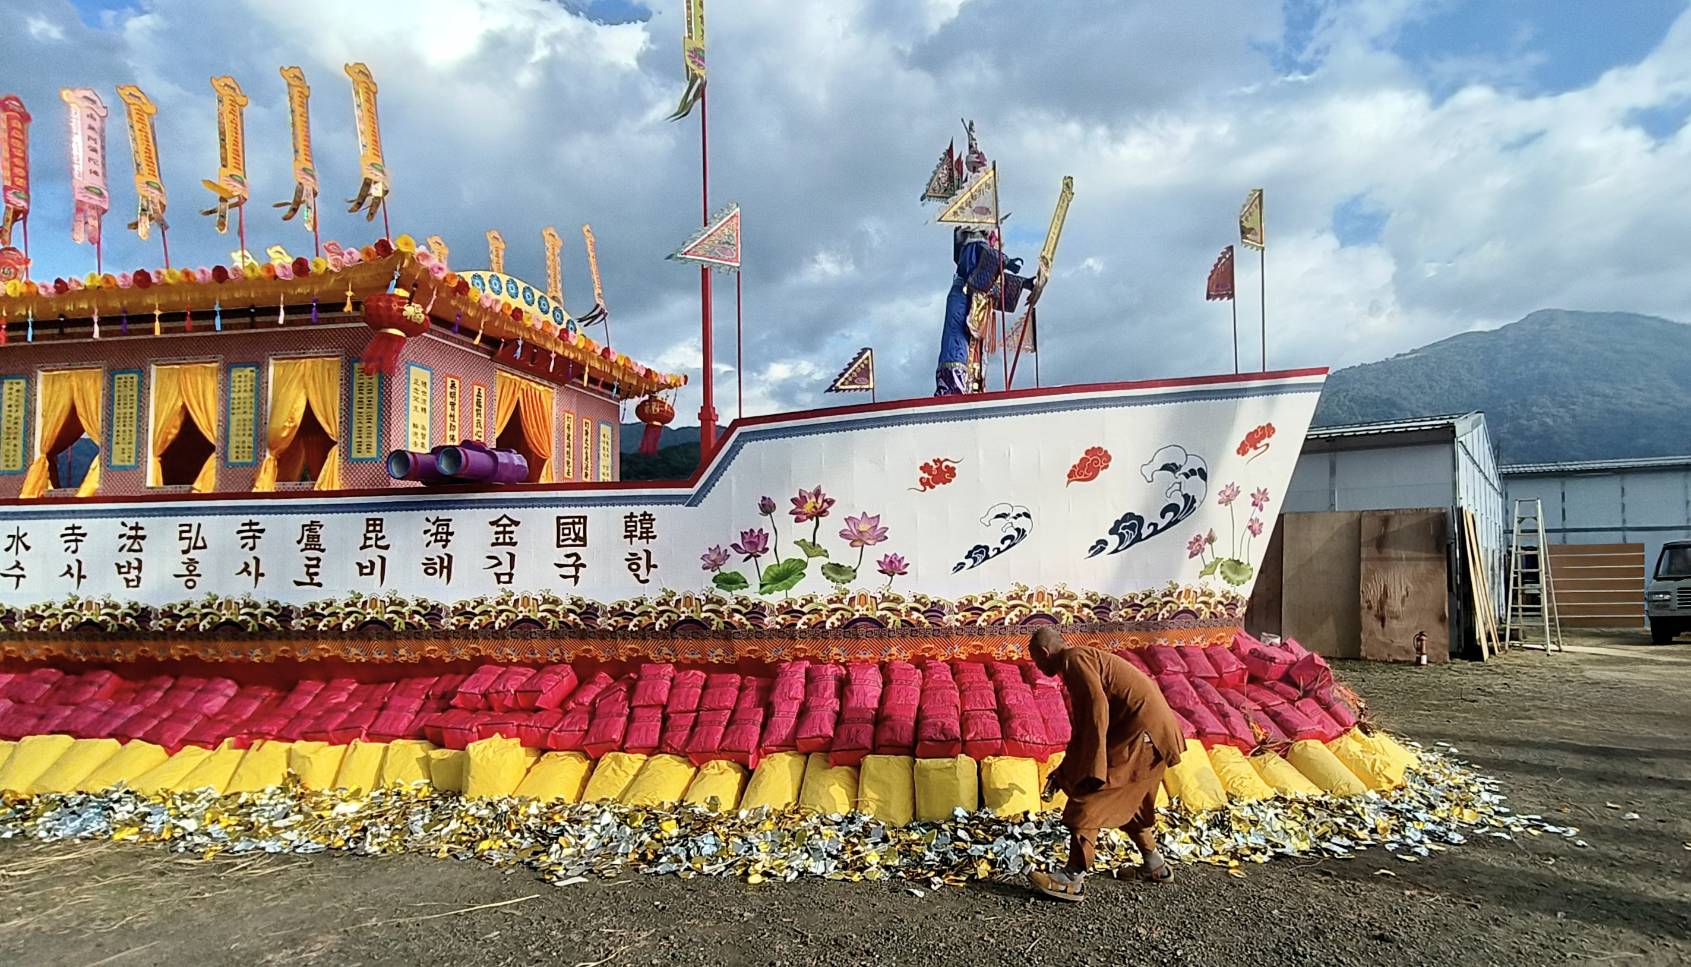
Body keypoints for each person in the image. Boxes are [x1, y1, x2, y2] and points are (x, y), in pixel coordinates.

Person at [1025, 626, 1183, 901]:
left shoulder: (1073, 659)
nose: (1038, 668)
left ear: (1044, 652)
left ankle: (1072, 878)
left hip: (1142, 735)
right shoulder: (1084, 658)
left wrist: (1090, 768)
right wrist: (1065, 770)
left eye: (1036, 661)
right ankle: (1155, 864)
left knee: (1090, 797)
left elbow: (1095, 712)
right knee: (1130, 798)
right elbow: (1089, 721)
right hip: (1157, 733)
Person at [934, 226, 1043, 396]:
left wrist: (1024, 283)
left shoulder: (979, 252)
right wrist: (1005, 261)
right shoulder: (972, 247)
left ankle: (971, 387)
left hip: (974, 306)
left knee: (974, 351)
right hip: (964, 303)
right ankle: (953, 387)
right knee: (958, 346)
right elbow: (979, 277)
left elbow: (991, 282)